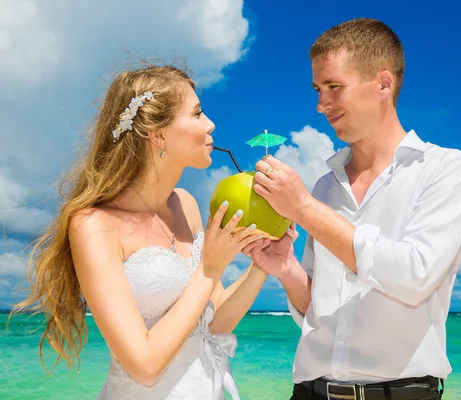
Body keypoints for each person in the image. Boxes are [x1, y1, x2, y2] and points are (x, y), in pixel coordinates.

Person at [10, 64, 287, 400]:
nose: (211, 123)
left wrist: (262, 264)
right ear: (158, 134)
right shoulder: (94, 225)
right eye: (197, 113)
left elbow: (212, 327)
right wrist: (210, 269)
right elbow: (144, 365)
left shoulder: (186, 205)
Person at [248, 18, 461, 400]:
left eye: (334, 87)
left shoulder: (446, 169)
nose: (321, 105)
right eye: (318, 89)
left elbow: (415, 277)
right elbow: (317, 311)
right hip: (308, 392)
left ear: (383, 84)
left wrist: (304, 209)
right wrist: (286, 270)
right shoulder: (325, 185)